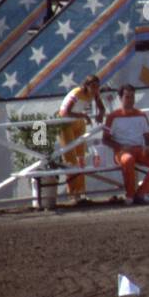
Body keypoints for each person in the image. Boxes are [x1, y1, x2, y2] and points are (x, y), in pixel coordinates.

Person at [102, 84, 149, 205]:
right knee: (128, 160)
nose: (130, 100)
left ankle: (142, 193)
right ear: (120, 98)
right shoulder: (112, 117)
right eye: (127, 97)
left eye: (132, 97)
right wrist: (120, 147)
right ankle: (130, 195)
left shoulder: (141, 115)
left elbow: (147, 136)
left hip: (139, 149)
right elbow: (105, 139)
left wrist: (148, 147)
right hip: (122, 151)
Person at [58, 75, 106, 203]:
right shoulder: (77, 93)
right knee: (70, 158)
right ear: (86, 86)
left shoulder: (95, 93)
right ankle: (73, 193)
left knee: (80, 158)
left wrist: (100, 115)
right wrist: (83, 115)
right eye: (93, 86)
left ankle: (81, 192)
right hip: (65, 123)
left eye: (97, 86)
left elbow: (102, 108)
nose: (96, 89)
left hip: (78, 122)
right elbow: (64, 112)